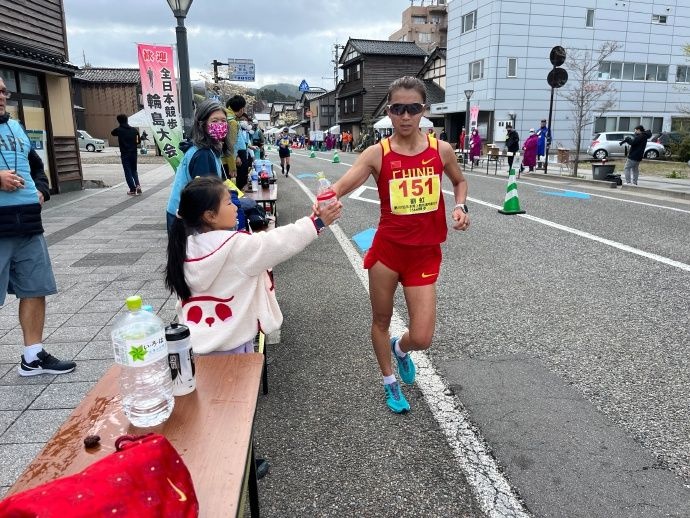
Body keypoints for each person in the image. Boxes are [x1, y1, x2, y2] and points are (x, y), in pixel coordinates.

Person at [330, 76, 470, 414]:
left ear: (423, 110)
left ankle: (401, 348)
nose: (405, 116)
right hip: (388, 253)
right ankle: (390, 383)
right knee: (381, 319)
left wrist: (460, 205)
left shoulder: (441, 150)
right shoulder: (378, 154)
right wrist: (325, 200)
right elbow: (342, 185)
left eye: (413, 109)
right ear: (388, 111)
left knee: (422, 336)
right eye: (397, 109)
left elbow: (460, 180)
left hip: (423, 252)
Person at [165, 176, 342, 354]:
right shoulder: (236, 247)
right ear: (210, 216)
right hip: (232, 348)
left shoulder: (184, 247)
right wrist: (317, 222)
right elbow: (280, 241)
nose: (236, 206)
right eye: (228, 203)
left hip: (193, 347)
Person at [0, 77, 76, 376]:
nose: (2, 95)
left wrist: (42, 189)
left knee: (35, 288)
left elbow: (35, 165)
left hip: (28, 222)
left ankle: (32, 355)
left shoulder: (16, 127)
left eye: (4, 90)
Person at [166, 99, 238, 233]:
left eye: (223, 121)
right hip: (187, 218)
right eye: (214, 121)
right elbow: (206, 197)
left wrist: (235, 196)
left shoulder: (209, 149)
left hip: (185, 213)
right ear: (202, 124)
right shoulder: (203, 154)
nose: (220, 125)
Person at [111, 114, 141, 196]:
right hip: (134, 153)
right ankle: (138, 185)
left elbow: (112, 133)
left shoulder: (119, 130)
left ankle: (132, 189)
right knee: (134, 170)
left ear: (118, 121)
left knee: (128, 172)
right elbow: (139, 141)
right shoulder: (134, 130)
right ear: (127, 120)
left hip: (125, 154)